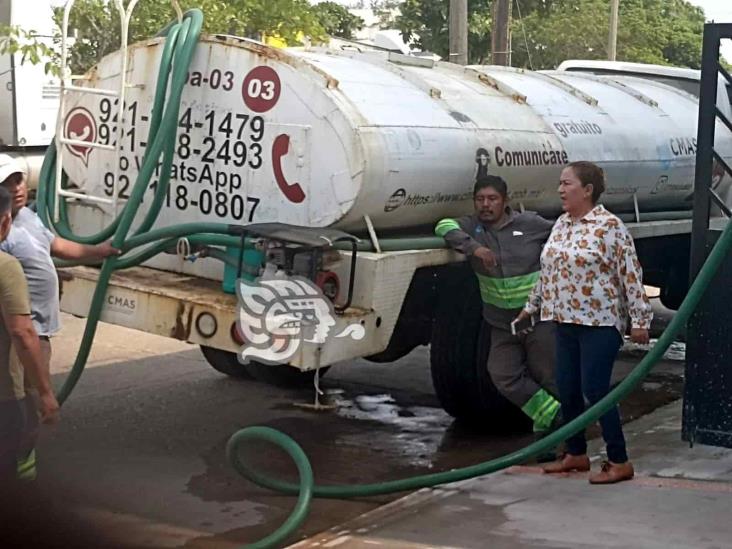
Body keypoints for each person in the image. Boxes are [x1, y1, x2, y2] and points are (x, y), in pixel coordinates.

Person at [516, 161, 652, 484]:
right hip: (564, 319)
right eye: (560, 184)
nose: (561, 190)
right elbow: (549, 271)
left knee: (596, 388)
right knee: (568, 388)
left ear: (587, 190)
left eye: (567, 184)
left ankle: (619, 459)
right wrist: (530, 307)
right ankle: (575, 453)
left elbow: (630, 274)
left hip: (600, 323)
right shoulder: (561, 225)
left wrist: (641, 319)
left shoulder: (610, 227)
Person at [0, 154, 118, 481]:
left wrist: (98, 251)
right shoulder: (4, 236)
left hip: (39, 330)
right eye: (6, 185)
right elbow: (19, 327)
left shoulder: (28, 219)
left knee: (26, 405)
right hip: (22, 333)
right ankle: (19, 466)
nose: (16, 189)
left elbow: (57, 246)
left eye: (18, 180)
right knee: (24, 404)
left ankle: (21, 460)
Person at [435, 175, 561, 436]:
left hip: (537, 319)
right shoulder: (473, 227)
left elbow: (565, 234)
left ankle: (560, 434)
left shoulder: (530, 224)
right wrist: (474, 249)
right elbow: (443, 226)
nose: (485, 205)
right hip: (502, 325)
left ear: (505, 202)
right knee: (502, 374)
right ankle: (554, 415)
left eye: (492, 199)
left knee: (548, 374)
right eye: (480, 199)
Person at [0, 186, 59, 483]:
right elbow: (23, 334)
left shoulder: (31, 224)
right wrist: (46, 393)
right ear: (4, 223)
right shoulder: (6, 267)